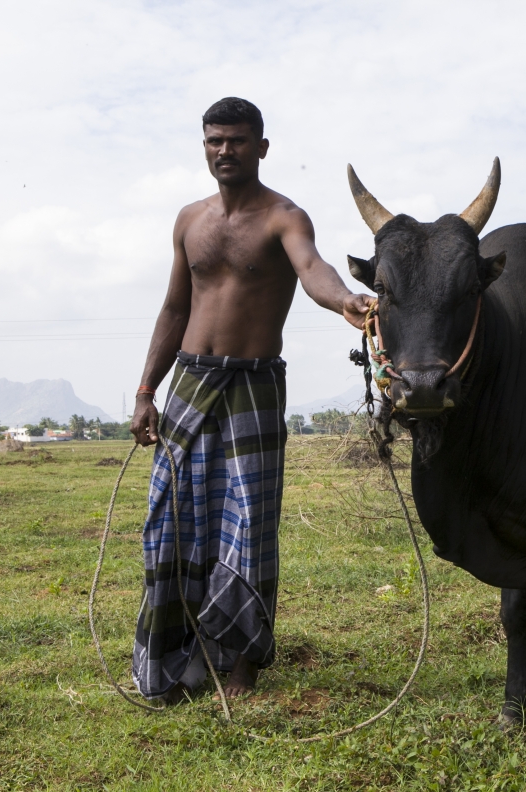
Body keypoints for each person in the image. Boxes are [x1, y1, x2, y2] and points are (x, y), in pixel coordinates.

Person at [128, 97, 371, 702]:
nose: (224, 151)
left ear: (262, 147)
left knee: (249, 523)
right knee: (173, 519)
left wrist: (345, 300)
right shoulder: (189, 219)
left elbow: (312, 269)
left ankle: (243, 662)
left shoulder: (283, 217)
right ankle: (179, 647)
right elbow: (175, 308)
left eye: (237, 141)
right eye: (214, 140)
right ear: (204, 145)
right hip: (187, 380)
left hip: (252, 385)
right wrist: (144, 390)